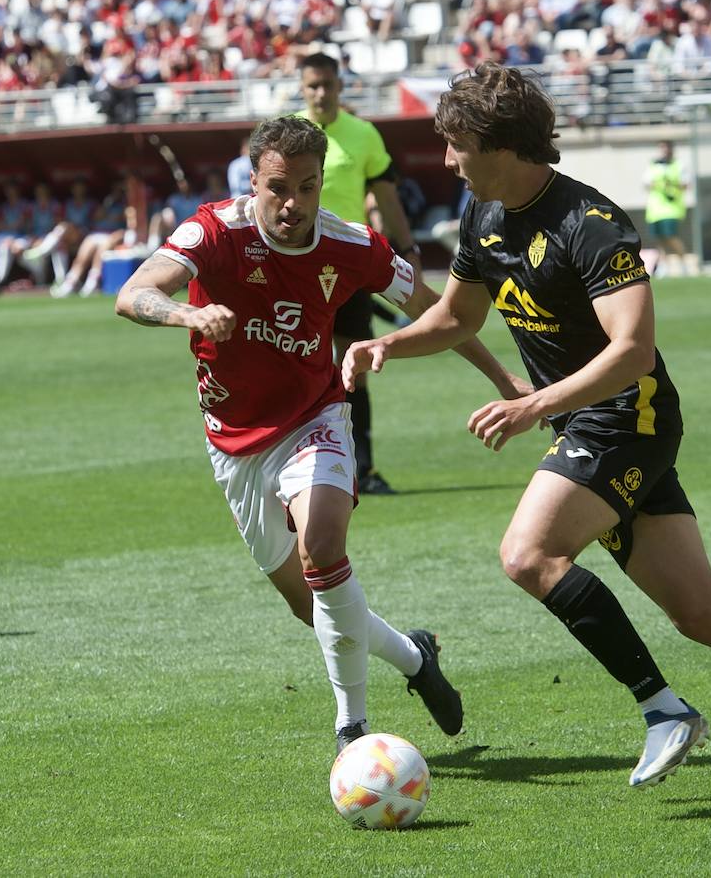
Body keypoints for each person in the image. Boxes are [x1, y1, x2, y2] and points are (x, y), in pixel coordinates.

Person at [342, 63, 711, 797]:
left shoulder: (589, 224)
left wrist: (532, 405)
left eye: (456, 143)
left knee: (528, 554)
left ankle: (662, 709)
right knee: (705, 615)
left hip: (627, 418)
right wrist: (387, 344)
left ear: (500, 144)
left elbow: (633, 351)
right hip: (589, 421)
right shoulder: (481, 215)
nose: (447, 159)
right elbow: (459, 318)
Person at [115, 115, 527, 752]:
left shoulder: (351, 245)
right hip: (233, 441)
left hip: (314, 418)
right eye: (279, 187)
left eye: (307, 188)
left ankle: (351, 727)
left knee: (324, 548)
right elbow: (134, 293)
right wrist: (189, 312)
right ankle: (416, 659)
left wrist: (503, 378)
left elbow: (439, 311)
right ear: (253, 181)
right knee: (313, 605)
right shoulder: (215, 230)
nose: (293, 204)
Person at [296, 51, 422, 495]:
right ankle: (299, 468)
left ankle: (361, 469)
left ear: (339, 85)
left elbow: (387, 200)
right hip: (293, 268)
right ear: (301, 87)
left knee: (353, 366)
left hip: (345, 266)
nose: (320, 93)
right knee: (296, 364)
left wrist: (407, 250)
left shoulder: (363, 135)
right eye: (312, 85)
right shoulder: (289, 134)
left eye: (327, 84)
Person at [641, 140, 693, 278]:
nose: (665, 151)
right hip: (655, 209)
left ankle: (684, 264)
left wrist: (671, 184)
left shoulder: (678, 165)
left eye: (667, 147)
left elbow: (686, 184)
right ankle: (664, 266)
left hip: (672, 208)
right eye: (662, 148)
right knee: (660, 239)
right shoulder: (653, 165)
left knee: (671, 236)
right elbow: (646, 183)